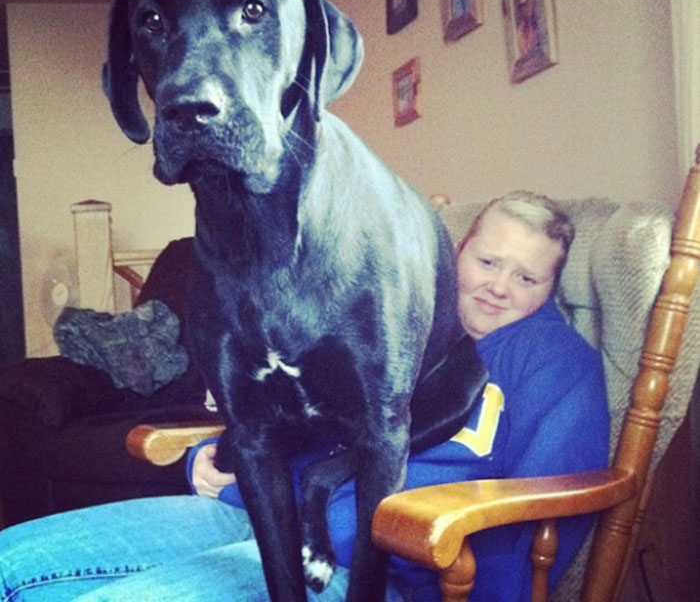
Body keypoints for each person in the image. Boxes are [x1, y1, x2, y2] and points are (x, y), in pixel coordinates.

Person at [0, 191, 610, 602]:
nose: (499, 287)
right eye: (488, 261)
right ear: (459, 254)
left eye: (526, 277)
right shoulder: (395, 321)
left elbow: (547, 517)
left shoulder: (556, 363)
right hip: (252, 511)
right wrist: (209, 461)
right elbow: (292, 412)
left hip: (370, 572)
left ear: (551, 287)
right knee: (10, 564)